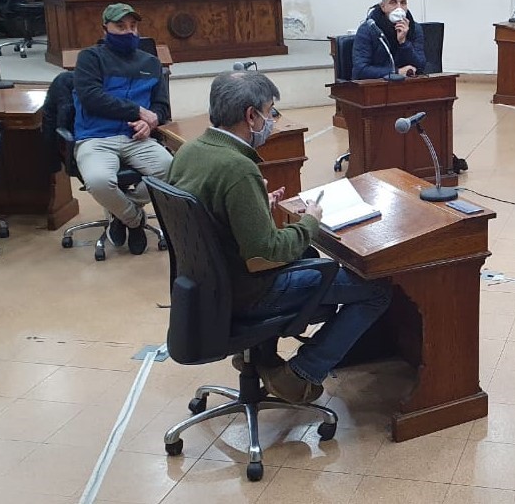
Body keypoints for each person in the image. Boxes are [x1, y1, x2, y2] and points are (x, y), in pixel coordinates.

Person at [168, 70, 392, 404]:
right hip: (250, 292)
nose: (271, 121)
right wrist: (310, 222)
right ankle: (301, 374)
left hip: (208, 289)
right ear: (251, 116)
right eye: (269, 112)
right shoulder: (237, 168)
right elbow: (268, 251)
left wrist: (256, 205)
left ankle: (261, 355)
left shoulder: (190, 152)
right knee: (376, 289)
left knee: (311, 260)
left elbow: (208, 217)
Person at [73, 3, 173, 255]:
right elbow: (91, 98)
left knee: (173, 170)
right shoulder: (90, 58)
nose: (129, 31)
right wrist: (137, 111)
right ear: (105, 28)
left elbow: (162, 108)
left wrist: (151, 121)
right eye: (120, 26)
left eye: (133, 26)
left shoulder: (151, 63)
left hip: (137, 139)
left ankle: (121, 214)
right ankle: (135, 220)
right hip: (96, 138)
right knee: (98, 181)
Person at [352, 0, 426, 79]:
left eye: (403, 3)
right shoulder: (369, 29)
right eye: (393, 2)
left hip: (407, 84)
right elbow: (360, 70)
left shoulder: (414, 28)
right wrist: (396, 72)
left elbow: (420, 66)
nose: (399, 8)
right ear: (383, 6)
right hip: (377, 85)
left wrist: (404, 43)